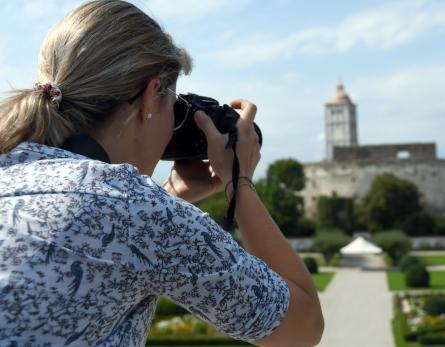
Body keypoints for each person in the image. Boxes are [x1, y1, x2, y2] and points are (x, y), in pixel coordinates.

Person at [0, 1, 324, 346]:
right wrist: (239, 182)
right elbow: (302, 328)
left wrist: (169, 195)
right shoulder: (138, 211)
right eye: (174, 103)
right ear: (151, 94)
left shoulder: (11, 165)